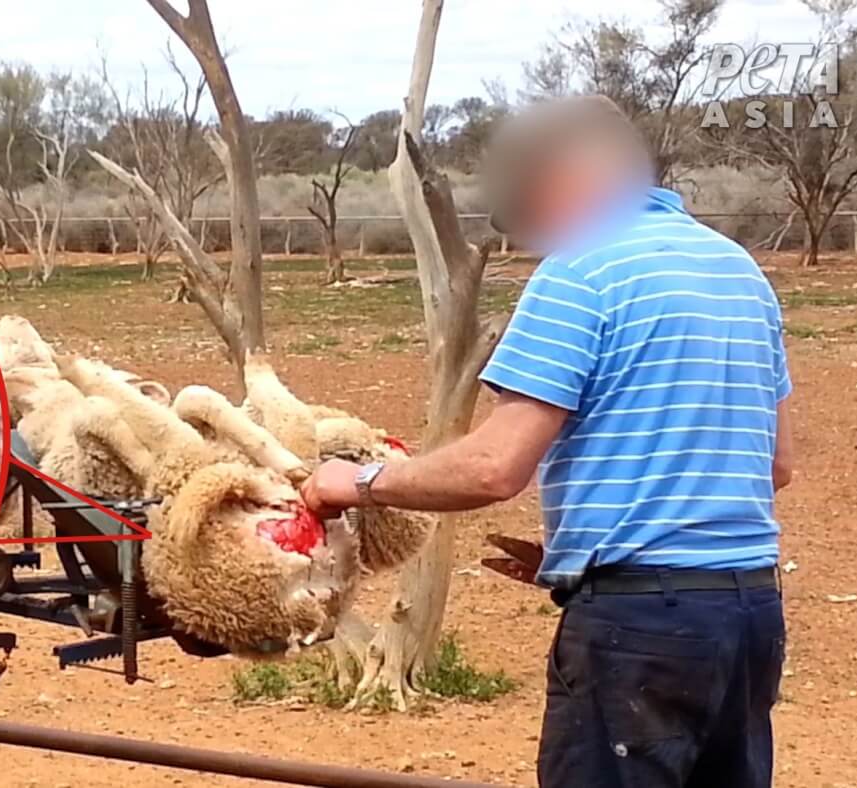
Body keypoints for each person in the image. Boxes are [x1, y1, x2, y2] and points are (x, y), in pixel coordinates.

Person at [299, 95, 793, 788]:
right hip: (747, 615)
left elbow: (495, 468)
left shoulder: (581, 272)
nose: (537, 242)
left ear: (560, 180)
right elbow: (774, 465)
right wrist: (597, 542)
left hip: (638, 631)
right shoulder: (739, 272)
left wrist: (353, 484)